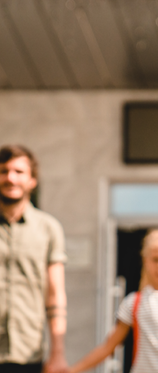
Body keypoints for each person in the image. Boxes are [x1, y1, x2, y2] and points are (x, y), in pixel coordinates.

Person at [68, 227, 158, 373]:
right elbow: (108, 347)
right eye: (155, 260)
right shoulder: (133, 302)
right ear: (145, 261)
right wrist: (73, 370)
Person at [0, 145, 68, 373]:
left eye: (19, 172)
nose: (10, 178)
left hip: (28, 353)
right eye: (3, 171)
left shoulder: (49, 229)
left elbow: (55, 293)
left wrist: (57, 353)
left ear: (32, 180)